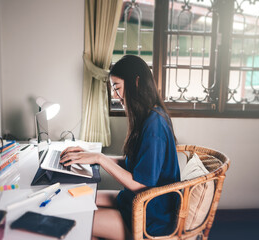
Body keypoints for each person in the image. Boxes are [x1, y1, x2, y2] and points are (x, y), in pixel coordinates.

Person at [60, 55, 180, 240]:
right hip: (133, 202)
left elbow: (141, 185)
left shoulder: (155, 124)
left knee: (77, 221)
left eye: (117, 88)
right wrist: (92, 155)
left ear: (136, 82)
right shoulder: (148, 117)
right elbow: (134, 164)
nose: (115, 96)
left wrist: (100, 159)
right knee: (74, 201)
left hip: (150, 217)